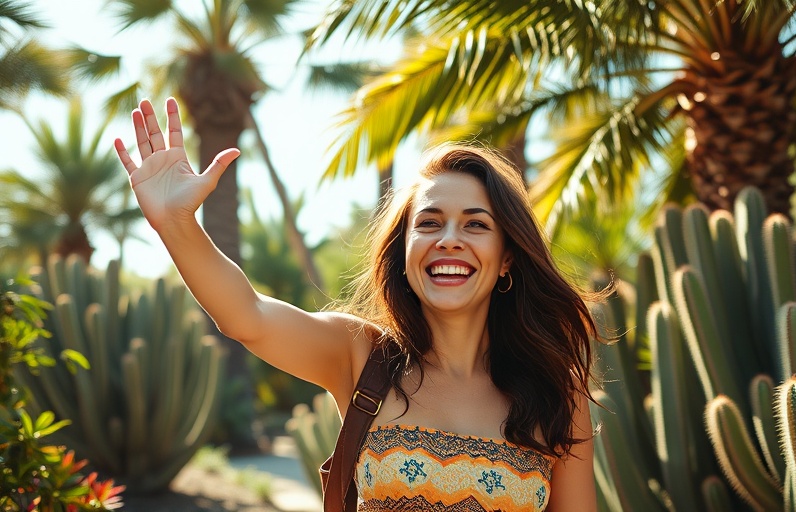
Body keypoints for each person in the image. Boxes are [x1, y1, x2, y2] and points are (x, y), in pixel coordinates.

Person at [114, 97, 605, 512]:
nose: (450, 239)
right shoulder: (362, 355)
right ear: (405, 251)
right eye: (429, 223)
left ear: (506, 259)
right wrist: (177, 225)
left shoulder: (556, 394)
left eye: (476, 224)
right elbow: (248, 316)